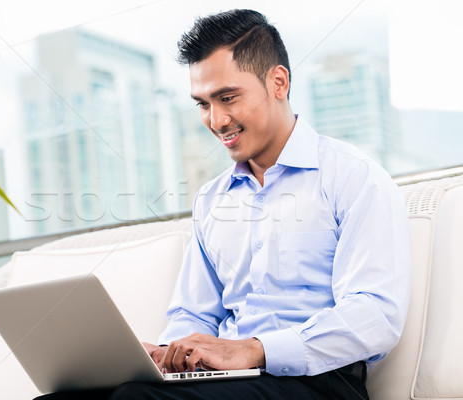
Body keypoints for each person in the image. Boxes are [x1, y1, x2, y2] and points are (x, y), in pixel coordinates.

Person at [36, 8, 411, 400]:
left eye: (227, 97)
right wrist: (168, 355)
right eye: (202, 104)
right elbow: (193, 313)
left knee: (137, 399)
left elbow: (375, 316)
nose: (216, 120)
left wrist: (254, 349)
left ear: (278, 82)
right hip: (232, 383)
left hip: (321, 384)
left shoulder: (353, 177)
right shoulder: (213, 199)